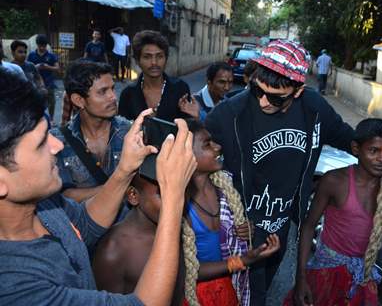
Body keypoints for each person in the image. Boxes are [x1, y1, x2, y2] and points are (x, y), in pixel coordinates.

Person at [204, 39, 382, 305]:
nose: (265, 102)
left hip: (279, 229)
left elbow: (353, 140)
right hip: (241, 230)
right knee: (247, 296)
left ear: (298, 90)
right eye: (258, 91)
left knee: (263, 290)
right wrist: (225, 214)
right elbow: (199, 159)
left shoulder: (314, 109)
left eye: (277, 98)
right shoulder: (229, 113)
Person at [0, 66, 198, 305]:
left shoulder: (43, 205)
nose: (57, 146)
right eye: (42, 143)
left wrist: (124, 170)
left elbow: (85, 223)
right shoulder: (14, 284)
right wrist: (174, 195)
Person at [92, 119, 280, 306]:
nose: (176, 200)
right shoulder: (113, 251)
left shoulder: (174, 233)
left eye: (182, 188)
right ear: (133, 195)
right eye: (162, 192)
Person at [285, 118, 382, 306]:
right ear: (356, 149)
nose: (381, 159)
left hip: (364, 275)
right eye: (373, 151)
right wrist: (301, 278)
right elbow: (308, 227)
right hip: (328, 273)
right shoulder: (335, 181)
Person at [51, 60, 131, 205]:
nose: (113, 97)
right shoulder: (58, 141)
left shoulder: (130, 132)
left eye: (112, 89)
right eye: (103, 92)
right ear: (79, 100)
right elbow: (65, 196)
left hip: (127, 224)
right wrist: (121, 187)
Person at [119, 30, 194, 122]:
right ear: (138, 61)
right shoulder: (128, 94)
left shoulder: (180, 88)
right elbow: (122, 130)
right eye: (147, 57)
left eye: (159, 56)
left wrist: (195, 118)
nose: (154, 62)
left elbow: (189, 126)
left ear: (166, 59)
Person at [27, 34, 60, 117]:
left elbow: (57, 68)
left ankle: (51, 119)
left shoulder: (51, 56)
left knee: (51, 102)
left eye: (44, 46)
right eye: (40, 46)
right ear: (37, 45)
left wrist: (47, 66)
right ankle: (37, 118)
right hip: (35, 83)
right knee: (36, 101)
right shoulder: (31, 55)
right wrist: (36, 67)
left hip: (49, 82)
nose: (42, 48)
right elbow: (27, 68)